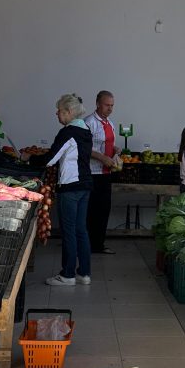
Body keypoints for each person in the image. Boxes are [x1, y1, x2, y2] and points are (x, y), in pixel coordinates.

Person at [25, 94, 93, 286]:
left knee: (69, 231)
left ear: (69, 112)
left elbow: (50, 160)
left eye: (60, 110)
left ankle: (68, 275)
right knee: (81, 230)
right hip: (85, 186)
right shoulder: (86, 130)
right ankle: (84, 273)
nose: (57, 114)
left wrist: (28, 158)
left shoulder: (68, 132)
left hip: (70, 188)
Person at [84, 90, 121, 255]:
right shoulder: (89, 122)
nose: (110, 109)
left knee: (103, 210)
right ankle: (87, 245)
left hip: (106, 173)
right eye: (107, 105)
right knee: (91, 210)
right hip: (92, 173)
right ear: (98, 104)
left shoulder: (110, 123)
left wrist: (114, 149)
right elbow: (84, 147)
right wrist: (101, 157)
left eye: (112, 106)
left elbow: (107, 143)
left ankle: (99, 244)